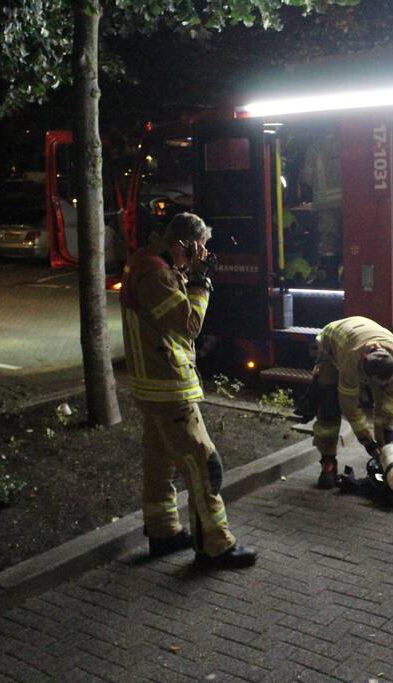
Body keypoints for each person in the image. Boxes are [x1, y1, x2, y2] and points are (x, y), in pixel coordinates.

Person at [119, 212, 256, 568]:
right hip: (168, 387)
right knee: (203, 462)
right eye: (200, 249)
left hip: (152, 385)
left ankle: (163, 531)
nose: (202, 256)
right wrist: (199, 280)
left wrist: (189, 269)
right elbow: (189, 325)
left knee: (160, 461)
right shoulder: (156, 274)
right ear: (186, 244)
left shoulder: (148, 263)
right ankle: (215, 545)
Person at [310, 316, 393, 489]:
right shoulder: (351, 363)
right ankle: (328, 463)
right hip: (331, 347)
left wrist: (388, 433)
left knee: (385, 403)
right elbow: (350, 408)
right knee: (329, 406)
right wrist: (367, 441)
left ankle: (389, 452)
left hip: (360, 334)